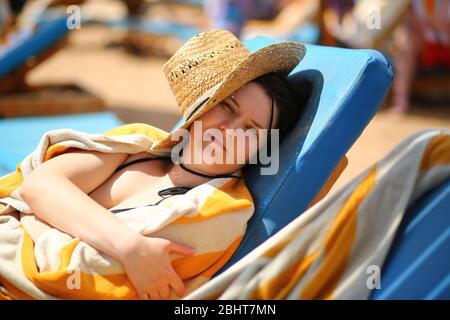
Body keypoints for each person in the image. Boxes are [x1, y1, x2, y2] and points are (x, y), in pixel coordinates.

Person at [16, 29, 309, 300]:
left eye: (250, 130)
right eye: (227, 107)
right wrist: (128, 245)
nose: (229, 130)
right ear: (201, 107)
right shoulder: (140, 144)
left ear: (262, 149)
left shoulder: (217, 212)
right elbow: (36, 185)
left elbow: (82, 271)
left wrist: (38, 216)